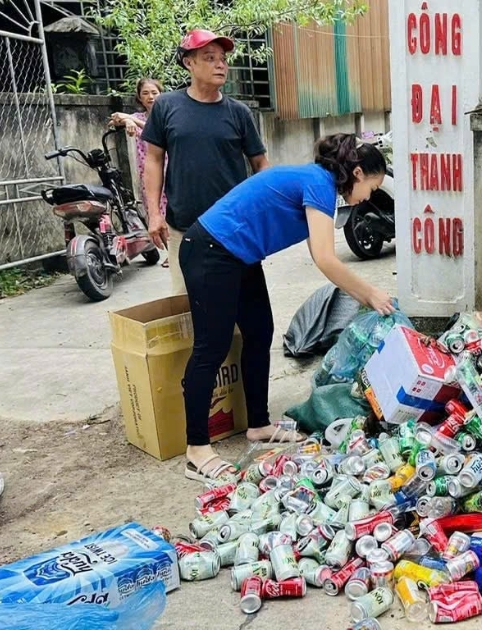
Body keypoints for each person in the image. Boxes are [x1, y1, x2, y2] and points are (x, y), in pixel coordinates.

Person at [179, 133, 395, 482]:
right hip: (210, 250)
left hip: (240, 256)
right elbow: (325, 258)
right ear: (357, 173)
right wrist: (369, 293)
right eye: (372, 186)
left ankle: (259, 425)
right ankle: (197, 449)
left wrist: (362, 295)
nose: (369, 196)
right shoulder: (319, 183)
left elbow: (319, 252)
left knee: (260, 332)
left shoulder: (318, 184)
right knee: (211, 347)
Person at [141, 29, 269, 294]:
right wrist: (154, 214)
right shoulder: (166, 106)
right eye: (210, 57)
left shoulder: (239, 113)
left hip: (234, 226)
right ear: (189, 62)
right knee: (188, 306)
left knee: (240, 306)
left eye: (223, 58)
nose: (221, 64)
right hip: (183, 227)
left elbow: (261, 165)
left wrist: (261, 213)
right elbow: (153, 160)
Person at [110, 78, 170, 265]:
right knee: (155, 211)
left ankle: (177, 252)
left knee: (170, 210)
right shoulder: (139, 117)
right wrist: (126, 119)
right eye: (145, 93)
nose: (150, 97)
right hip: (149, 173)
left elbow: (158, 132)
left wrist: (131, 119)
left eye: (154, 92)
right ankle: (171, 252)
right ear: (139, 97)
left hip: (170, 167)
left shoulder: (168, 115)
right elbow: (114, 120)